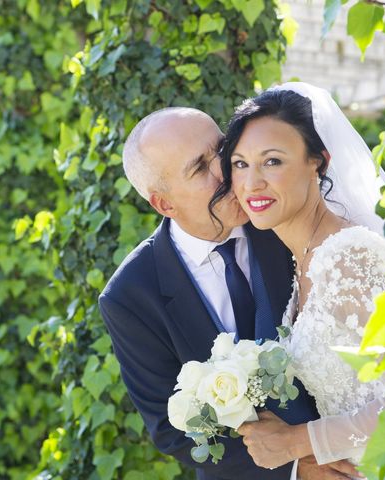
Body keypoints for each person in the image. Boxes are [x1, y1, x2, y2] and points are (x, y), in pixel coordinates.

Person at [98, 107, 358, 480]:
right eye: (200, 168)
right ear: (164, 204)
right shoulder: (130, 296)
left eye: (221, 150)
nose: (224, 171)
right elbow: (172, 431)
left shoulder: (281, 214)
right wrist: (296, 467)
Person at [213, 83, 385, 476]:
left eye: (272, 161)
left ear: (318, 161)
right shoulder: (301, 261)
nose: (252, 183)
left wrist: (296, 441)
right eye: (240, 163)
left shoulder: (351, 259)